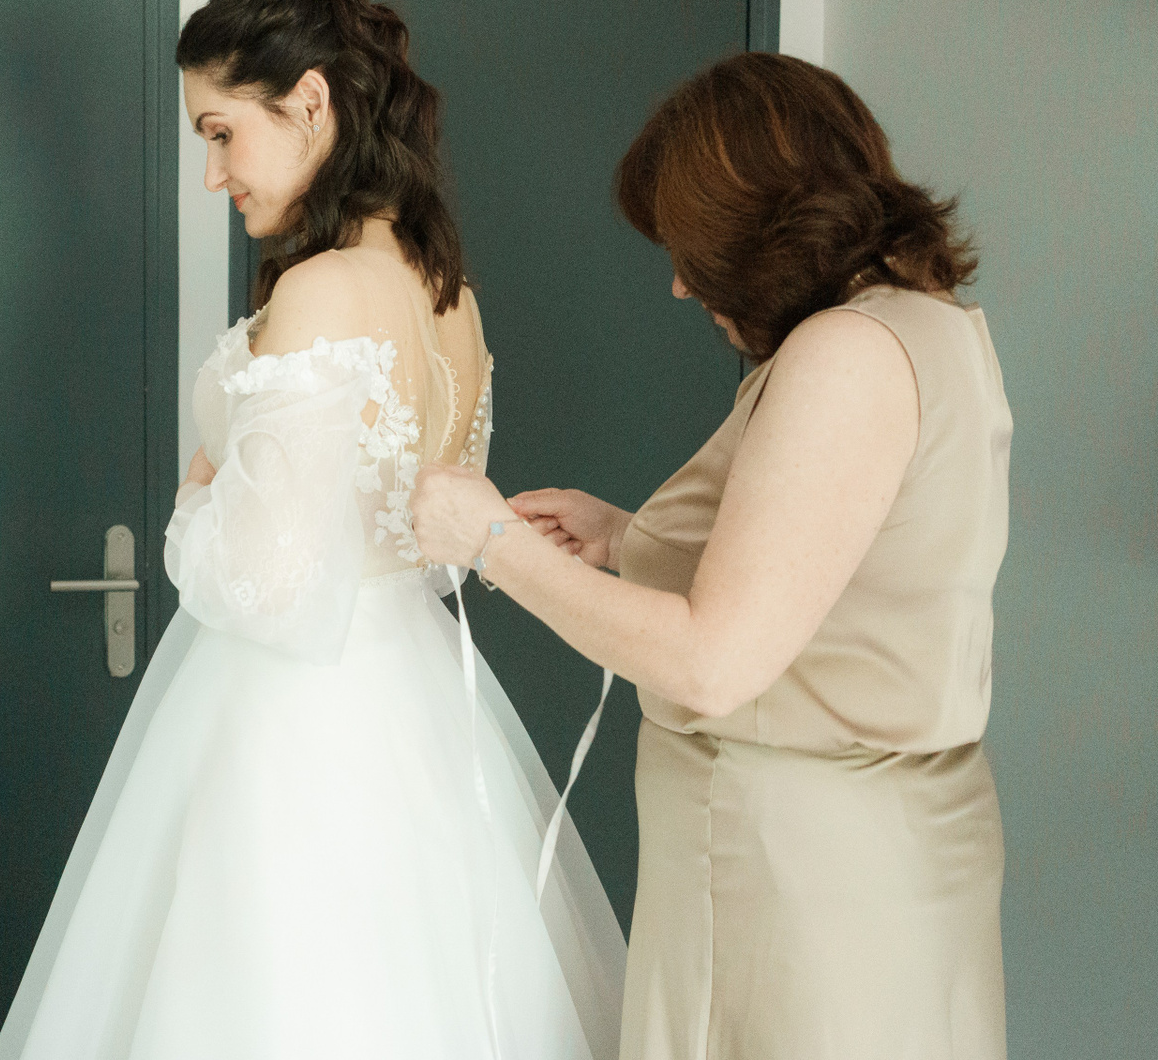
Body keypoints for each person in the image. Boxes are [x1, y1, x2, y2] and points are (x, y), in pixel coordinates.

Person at [0, 0, 625, 1060]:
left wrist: (195, 501)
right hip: (414, 699)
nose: (212, 174)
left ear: (312, 101)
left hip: (290, 716)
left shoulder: (320, 289)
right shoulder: (453, 297)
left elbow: (268, 587)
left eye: (221, 132)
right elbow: (431, 544)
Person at [410, 52, 1010, 1060]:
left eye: (692, 250)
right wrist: (628, 537)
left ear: (762, 223)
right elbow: (843, 573)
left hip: (799, 892)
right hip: (863, 867)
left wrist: (491, 542)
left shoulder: (847, 357)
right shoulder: (928, 325)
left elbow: (714, 661)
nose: (682, 283)